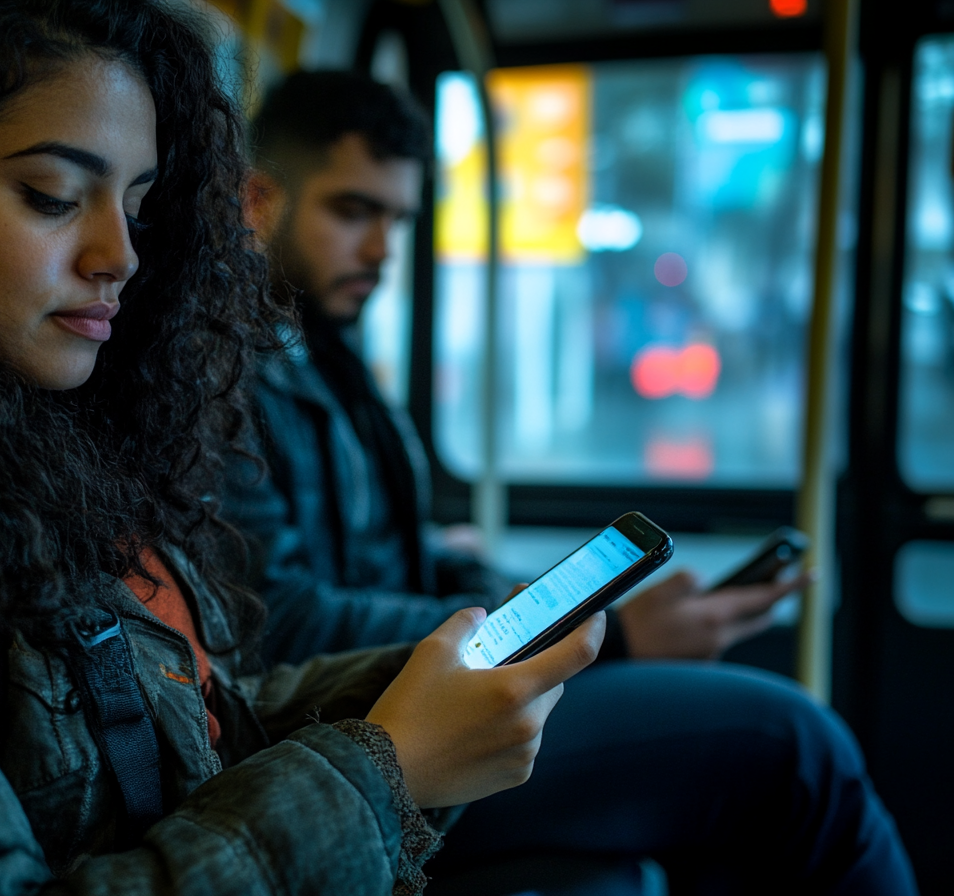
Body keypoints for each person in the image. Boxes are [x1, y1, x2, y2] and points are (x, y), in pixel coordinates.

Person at [0, 3, 607, 893]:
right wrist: (385, 765)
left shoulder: (19, 439)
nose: (121, 255)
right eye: (55, 195)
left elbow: (188, 726)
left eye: (136, 206)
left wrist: (421, 684)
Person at [228, 69, 919, 894]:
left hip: (429, 677)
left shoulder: (332, 357)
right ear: (258, 202)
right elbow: (282, 617)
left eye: (396, 221)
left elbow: (397, 552)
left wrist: (502, 593)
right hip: (370, 728)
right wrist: (614, 636)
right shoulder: (227, 376)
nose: (381, 250)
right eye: (353, 212)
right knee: (797, 743)